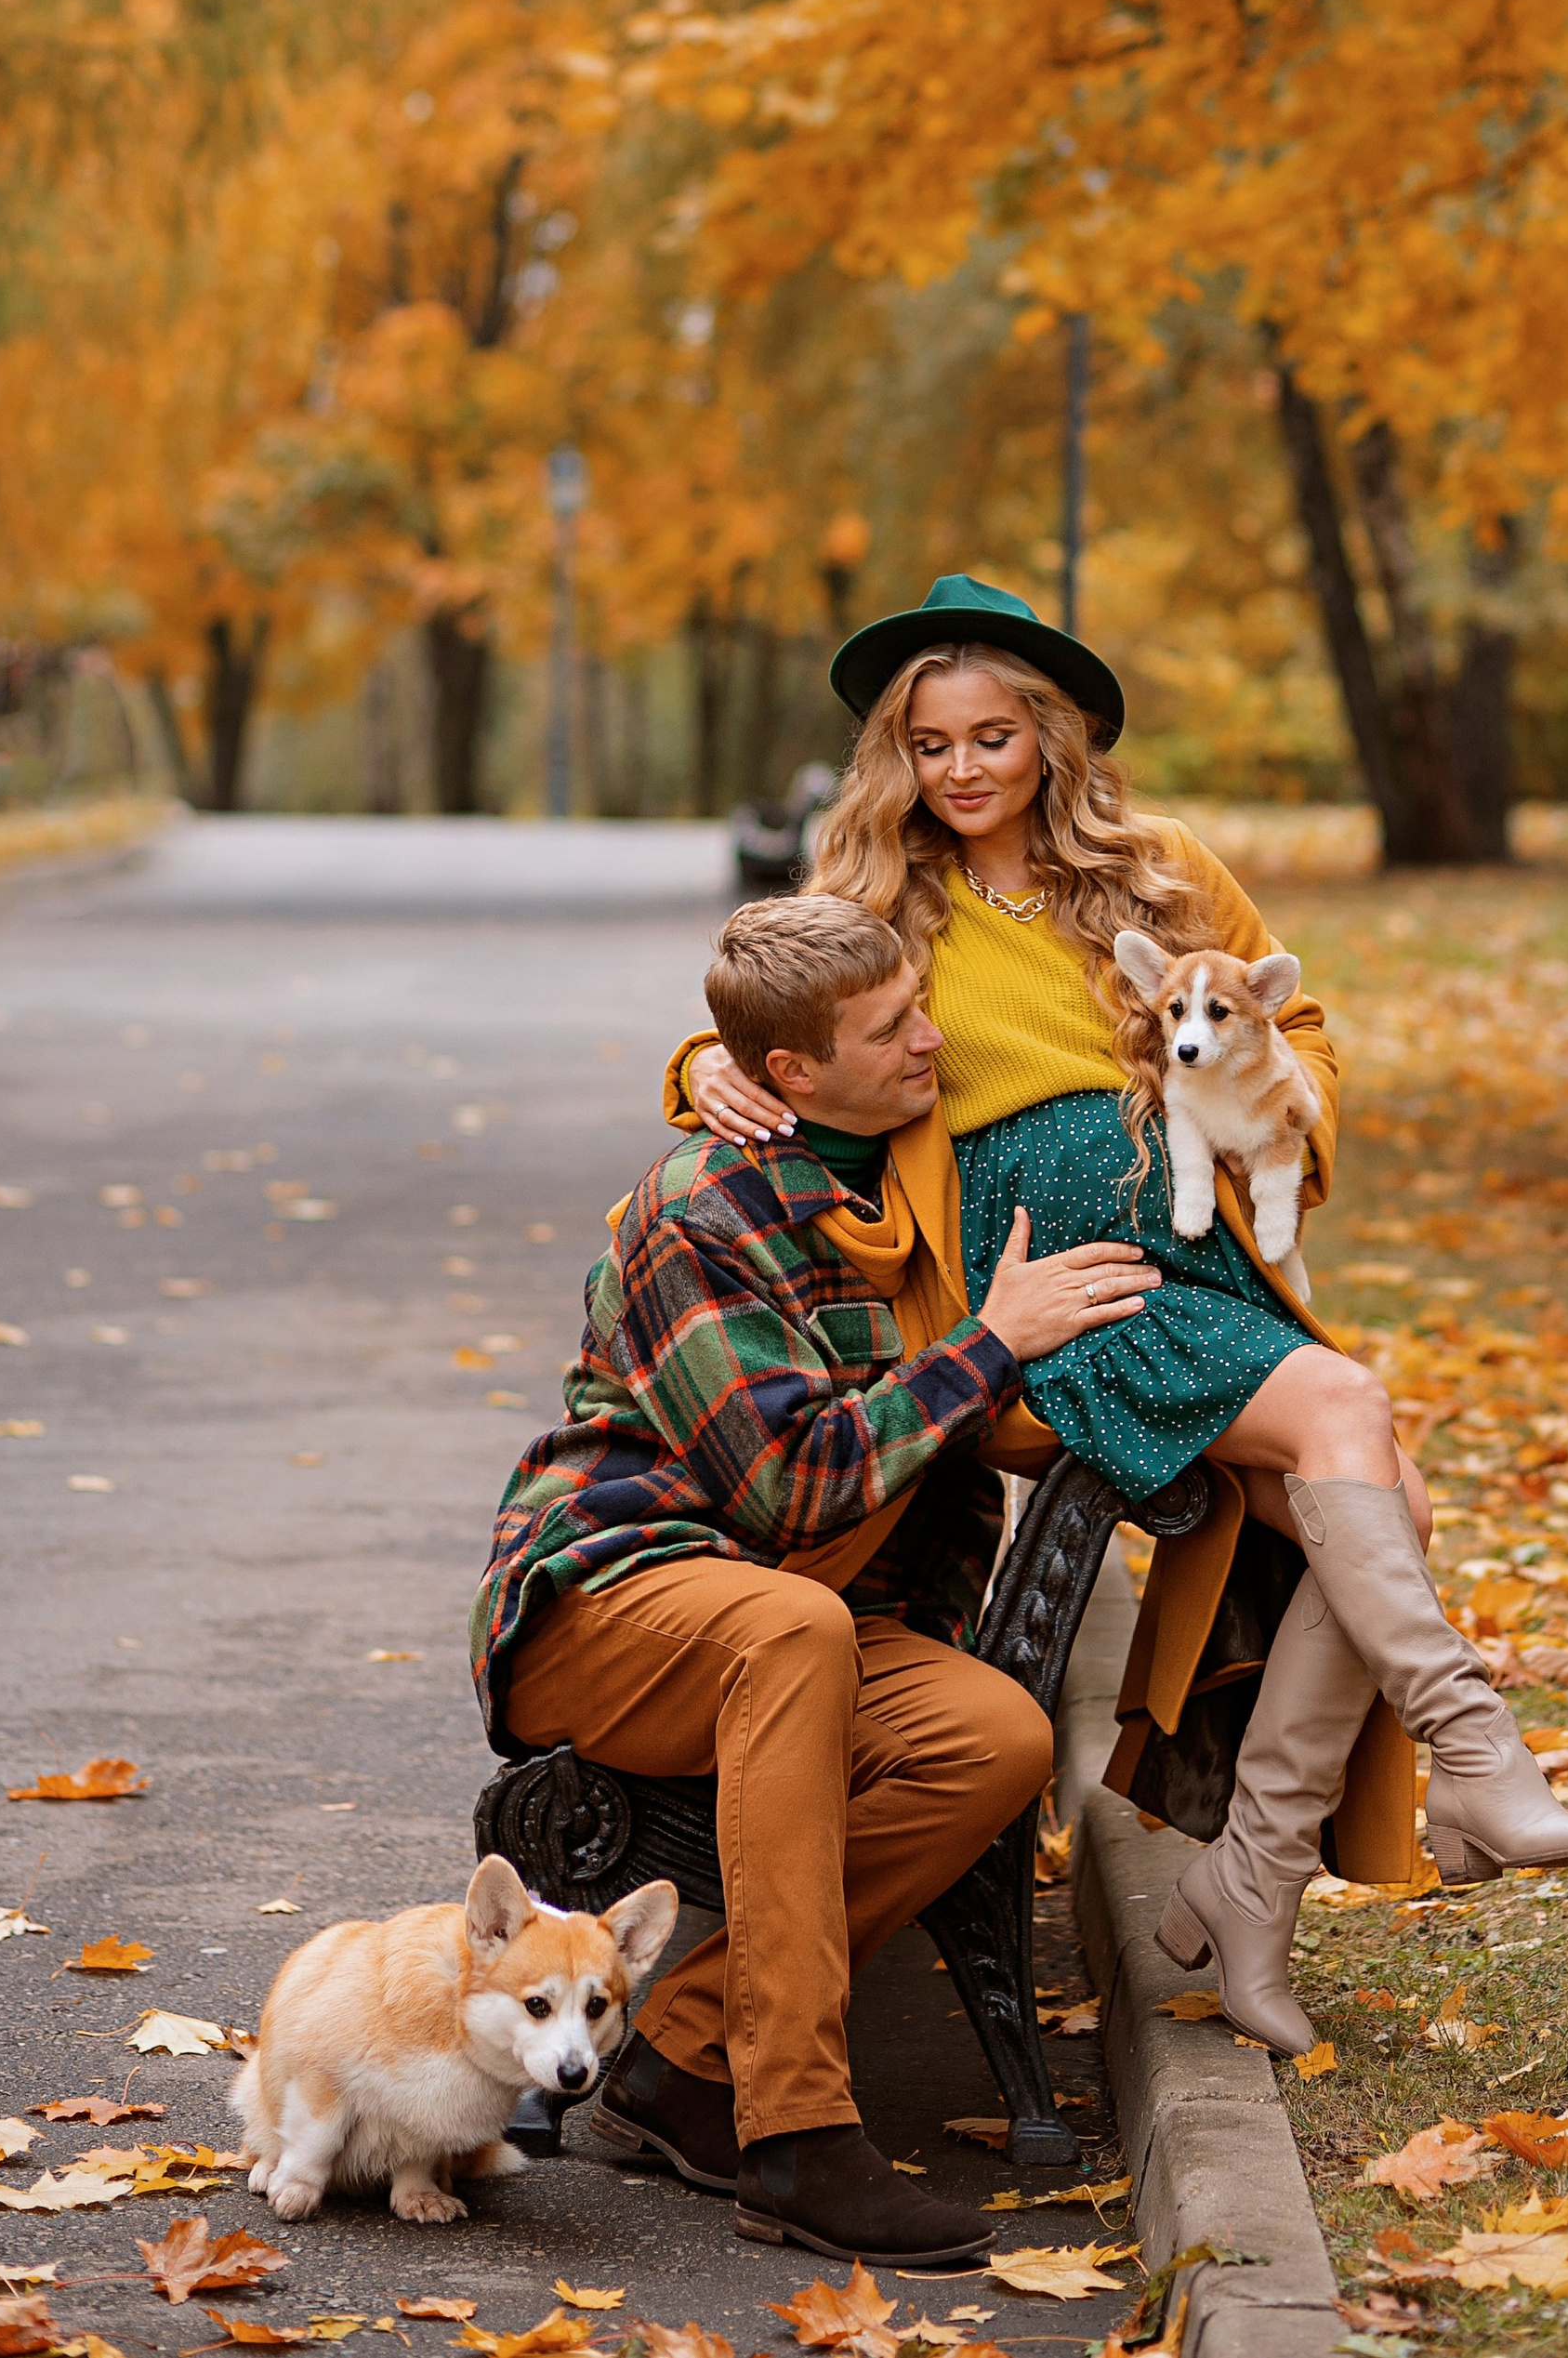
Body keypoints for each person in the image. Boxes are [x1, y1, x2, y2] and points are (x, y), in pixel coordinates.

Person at [679, 573, 1568, 2055]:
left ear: (1048, 737)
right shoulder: (881, 895)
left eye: (995, 734)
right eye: (933, 743)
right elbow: (779, 1013)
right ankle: (1476, 1752)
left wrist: (1282, 1106)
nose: (966, 766)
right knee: (1346, 1416)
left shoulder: (1161, 865)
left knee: (1388, 1499)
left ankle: (1249, 1892)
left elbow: (1293, 1026)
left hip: (1199, 1258)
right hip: (1050, 1288)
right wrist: (700, 1073)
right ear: (900, 759)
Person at [470, 890, 1157, 2272]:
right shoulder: (698, 1209)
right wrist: (989, 1345)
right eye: (892, 1024)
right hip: (617, 1596)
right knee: (790, 1620)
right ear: (793, 1072)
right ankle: (796, 2132)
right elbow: (788, 1486)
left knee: (996, 1735)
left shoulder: (908, 1166)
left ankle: (674, 2050)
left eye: (919, 1004)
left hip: (802, 1615)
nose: (930, 1036)